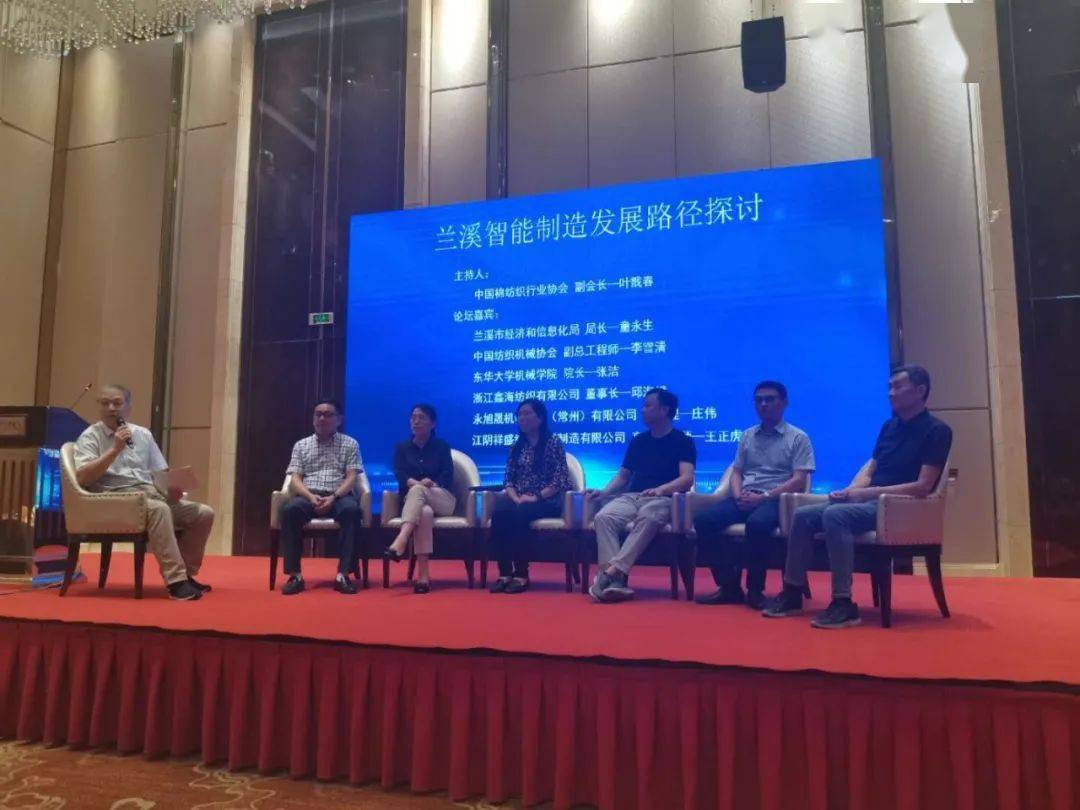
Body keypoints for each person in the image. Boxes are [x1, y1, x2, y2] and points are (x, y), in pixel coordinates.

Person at [763, 365, 953, 628]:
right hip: (870, 502)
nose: (890, 393)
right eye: (889, 387)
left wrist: (864, 493)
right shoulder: (889, 427)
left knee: (836, 515)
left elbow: (922, 486)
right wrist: (850, 492)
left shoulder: (937, 431)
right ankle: (793, 592)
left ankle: (843, 602)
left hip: (900, 507)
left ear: (920, 391)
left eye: (898, 387)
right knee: (803, 515)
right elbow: (871, 470)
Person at [73, 384, 214, 601]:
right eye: (105, 403)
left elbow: (160, 472)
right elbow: (83, 478)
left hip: (150, 493)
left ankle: (186, 575)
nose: (111, 408)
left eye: (117, 403)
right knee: (159, 510)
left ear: (128, 407)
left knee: (203, 513)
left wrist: (172, 488)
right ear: (98, 407)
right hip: (115, 499)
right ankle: (176, 582)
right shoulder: (90, 436)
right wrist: (114, 450)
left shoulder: (142, 435)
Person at [694, 381, 815, 610]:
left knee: (757, 524)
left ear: (784, 403)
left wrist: (765, 496)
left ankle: (755, 590)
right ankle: (729, 586)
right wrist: (738, 495)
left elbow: (800, 479)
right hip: (746, 495)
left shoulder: (798, 437)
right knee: (703, 520)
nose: (763, 404)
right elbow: (737, 472)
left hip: (777, 499)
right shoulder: (748, 435)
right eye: (759, 400)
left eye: (769, 399)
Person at [587, 388, 696, 603]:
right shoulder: (639, 441)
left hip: (664, 498)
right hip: (633, 496)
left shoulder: (682, 440)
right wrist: (604, 492)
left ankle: (610, 573)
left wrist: (661, 489)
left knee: (649, 515)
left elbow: (686, 479)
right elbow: (623, 476)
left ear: (664, 410)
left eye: (648, 405)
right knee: (604, 517)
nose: (642, 410)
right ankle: (616, 582)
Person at [279, 398, 364, 595]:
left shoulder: (350, 444)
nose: (322, 418)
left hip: (339, 495)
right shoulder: (301, 445)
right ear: (313, 419)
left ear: (339, 419)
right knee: (290, 511)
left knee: (352, 511)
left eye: (328, 414)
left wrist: (334, 497)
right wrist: (310, 497)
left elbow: (352, 477)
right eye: (318, 414)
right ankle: (295, 576)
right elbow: (295, 479)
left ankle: (343, 575)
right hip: (309, 495)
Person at [488, 399, 572, 595]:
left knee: (521, 514)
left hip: (547, 500)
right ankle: (504, 573)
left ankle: (521, 575)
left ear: (540, 418)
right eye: (520, 414)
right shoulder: (517, 446)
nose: (522, 418)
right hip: (520, 500)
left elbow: (560, 479)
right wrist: (515, 497)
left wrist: (535, 497)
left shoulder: (553, 443)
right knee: (499, 515)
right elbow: (508, 479)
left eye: (527, 413)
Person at [383, 404, 455, 594]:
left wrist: (432, 483)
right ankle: (423, 578)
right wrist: (416, 483)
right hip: (414, 502)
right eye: (413, 417)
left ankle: (401, 539)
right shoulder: (402, 448)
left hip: (442, 498)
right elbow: (400, 473)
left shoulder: (442, 446)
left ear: (433, 423)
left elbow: (448, 475)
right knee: (424, 512)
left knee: (418, 491)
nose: (416, 421)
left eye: (421, 417)